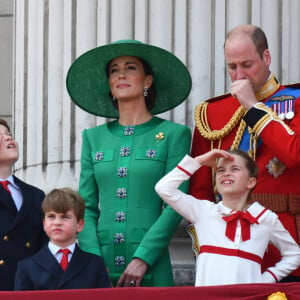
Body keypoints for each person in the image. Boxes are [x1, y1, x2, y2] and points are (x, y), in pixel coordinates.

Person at [66, 40, 192, 287]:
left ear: (147, 81)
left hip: (152, 263)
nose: (121, 74)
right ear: (110, 86)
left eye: (131, 67)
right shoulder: (93, 138)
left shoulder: (174, 134)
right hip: (100, 263)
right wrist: (92, 259)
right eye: (114, 70)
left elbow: (176, 203)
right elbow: (87, 207)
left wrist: (143, 257)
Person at [189, 24, 300, 281]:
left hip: (286, 243)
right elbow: (200, 190)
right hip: (229, 249)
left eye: (247, 65)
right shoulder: (211, 112)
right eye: (232, 67)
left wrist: (253, 106)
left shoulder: (295, 101)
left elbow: (293, 154)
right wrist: (207, 247)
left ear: (267, 57)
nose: (239, 75)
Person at [155, 148, 300, 286]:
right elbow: (164, 188)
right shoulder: (203, 211)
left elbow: (294, 254)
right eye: (220, 170)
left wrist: (266, 279)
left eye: (235, 169)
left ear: (251, 182)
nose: (226, 173)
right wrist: (198, 161)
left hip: (249, 297)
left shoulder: (265, 218)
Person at [14, 188, 112, 290]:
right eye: (51, 216)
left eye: (65, 217)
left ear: (80, 224)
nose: (57, 222)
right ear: (43, 223)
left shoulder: (95, 264)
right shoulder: (27, 267)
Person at [0, 118, 47, 291]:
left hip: (29, 287)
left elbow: (44, 247)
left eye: (9, 134)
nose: (7, 138)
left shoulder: (35, 195)